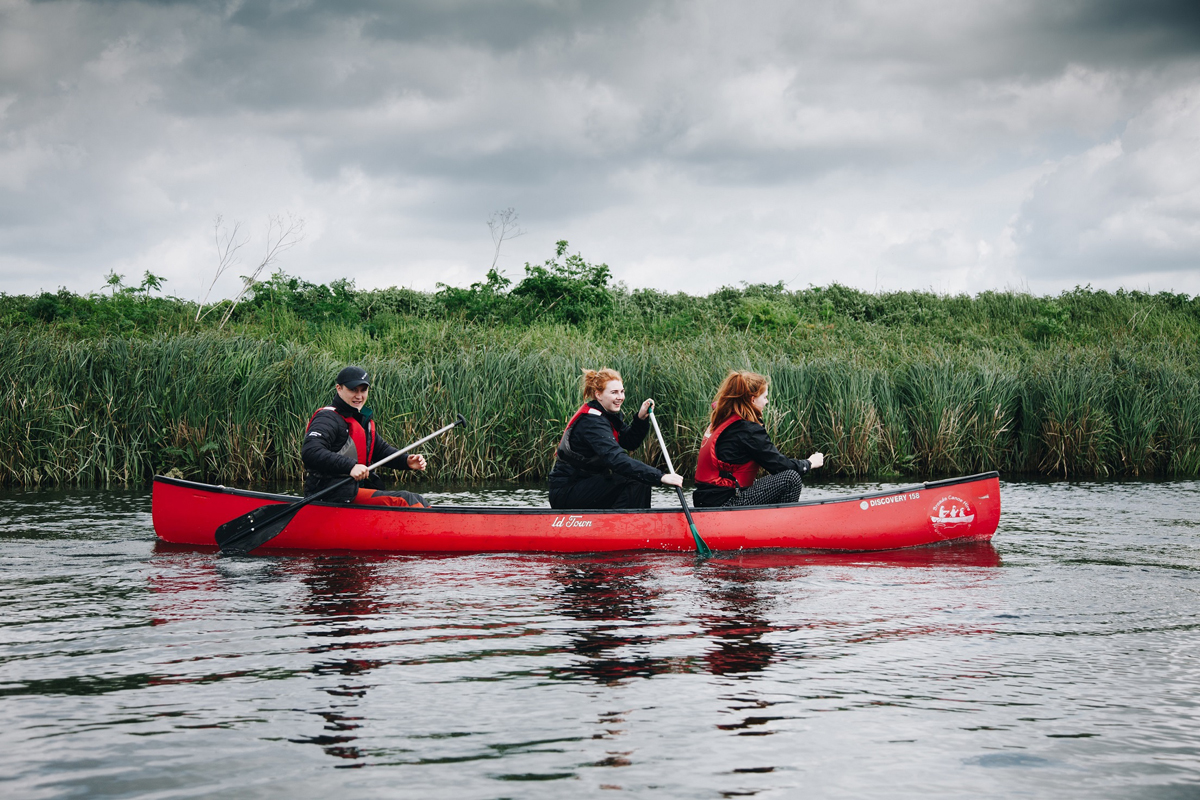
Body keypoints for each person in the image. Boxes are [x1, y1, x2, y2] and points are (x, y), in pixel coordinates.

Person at [548, 368, 685, 509]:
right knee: (635, 480)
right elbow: (616, 459)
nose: (620, 397)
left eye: (622, 391)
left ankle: (625, 525)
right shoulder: (591, 423)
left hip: (588, 485)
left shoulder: (606, 416)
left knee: (637, 478)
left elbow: (630, 442)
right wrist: (660, 476)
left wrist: (641, 418)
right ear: (598, 395)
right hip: (567, 491)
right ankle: (625, 526)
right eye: (614, 392)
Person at [301, 365, 429, 508]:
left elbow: (381, 451)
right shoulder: (327, 418)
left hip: (351, 492)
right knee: (405, 500)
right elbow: (311, 452)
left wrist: (406, 461)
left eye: (363, 390)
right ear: (339, 388)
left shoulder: (361, 421)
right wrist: (350, 466)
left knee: (418, 499)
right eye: (353, 390)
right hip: (329, 494)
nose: (359, 396)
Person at [692, 370, 824, 508]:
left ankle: (770, 522)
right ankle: (782, 525)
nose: (767, 402)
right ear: (752, 399)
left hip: (707, 500)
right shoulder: (747, 430)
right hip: (725, 504)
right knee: (790, 478)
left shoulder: (722, 420)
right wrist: (809, 463)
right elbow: (780, 466)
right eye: (765, 397)